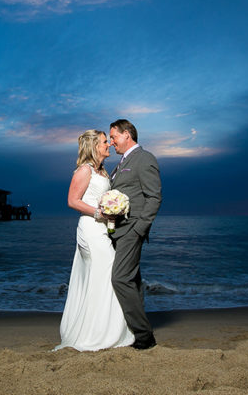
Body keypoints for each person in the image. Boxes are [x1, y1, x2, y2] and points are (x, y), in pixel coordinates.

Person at [55, 130, 135, 351]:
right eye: (103, 142)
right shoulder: (84, 170)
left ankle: (105, 330)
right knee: (107, 273)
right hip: (90, 230)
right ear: (93, 146)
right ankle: (94, 334)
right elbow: (72, 201)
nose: (108, 144)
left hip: (101, 230)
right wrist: (100, 214)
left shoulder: (103, 172)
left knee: (101, 278)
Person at [108, 119, 162, 349]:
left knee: (120, 278)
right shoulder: (121, 163)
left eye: (114, 137)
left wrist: (140, 228)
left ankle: (144, 336)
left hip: (132, 229)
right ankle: (135, 332)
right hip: (119, 230)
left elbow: (154, 196)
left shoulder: (145, 158)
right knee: (133, 281)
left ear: (127, 134)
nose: (111, 143)